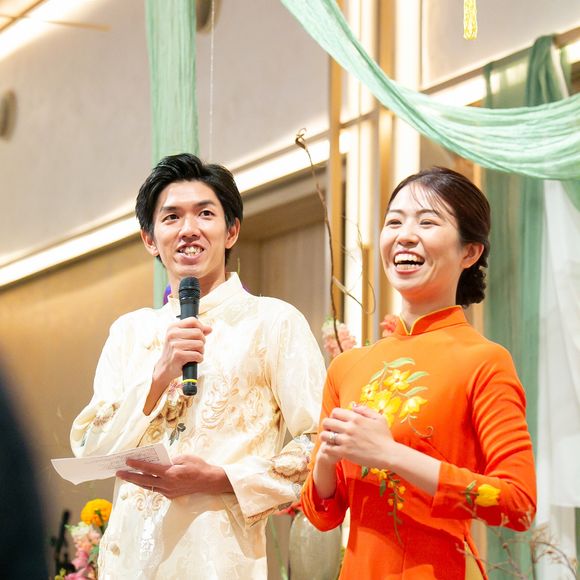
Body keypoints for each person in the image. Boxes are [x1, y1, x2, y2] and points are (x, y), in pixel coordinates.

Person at [70, 153, 326, 579]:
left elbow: (319, 444)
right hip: (129, 562)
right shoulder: (129, 331)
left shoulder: (273, 322)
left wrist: (222, 478)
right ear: (150, 239)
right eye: (171, 217)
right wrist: (158, 377)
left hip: (219, 562)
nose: (188, 229)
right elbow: (90, 450)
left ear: (232, 230)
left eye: (205, 214)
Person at [301, 167, 537, 579]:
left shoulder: (484, 360)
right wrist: (324, 460)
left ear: (470, 252)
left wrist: (390, 454)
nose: (405, 235)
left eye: (427, 222)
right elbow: (323, 515)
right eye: (394, 222)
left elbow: (518, 504)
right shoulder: (347, 367)